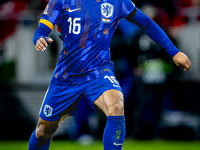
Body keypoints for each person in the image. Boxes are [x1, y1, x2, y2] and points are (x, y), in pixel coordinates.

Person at [28, 0, 191, 149]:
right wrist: (40, 37)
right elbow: (42, 28)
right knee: (43, 131)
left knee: (116, 105)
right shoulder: (61, 1)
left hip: (99, 72)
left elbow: (147, 23)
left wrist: (174, 52)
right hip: (66, 77)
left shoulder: (118, 2)